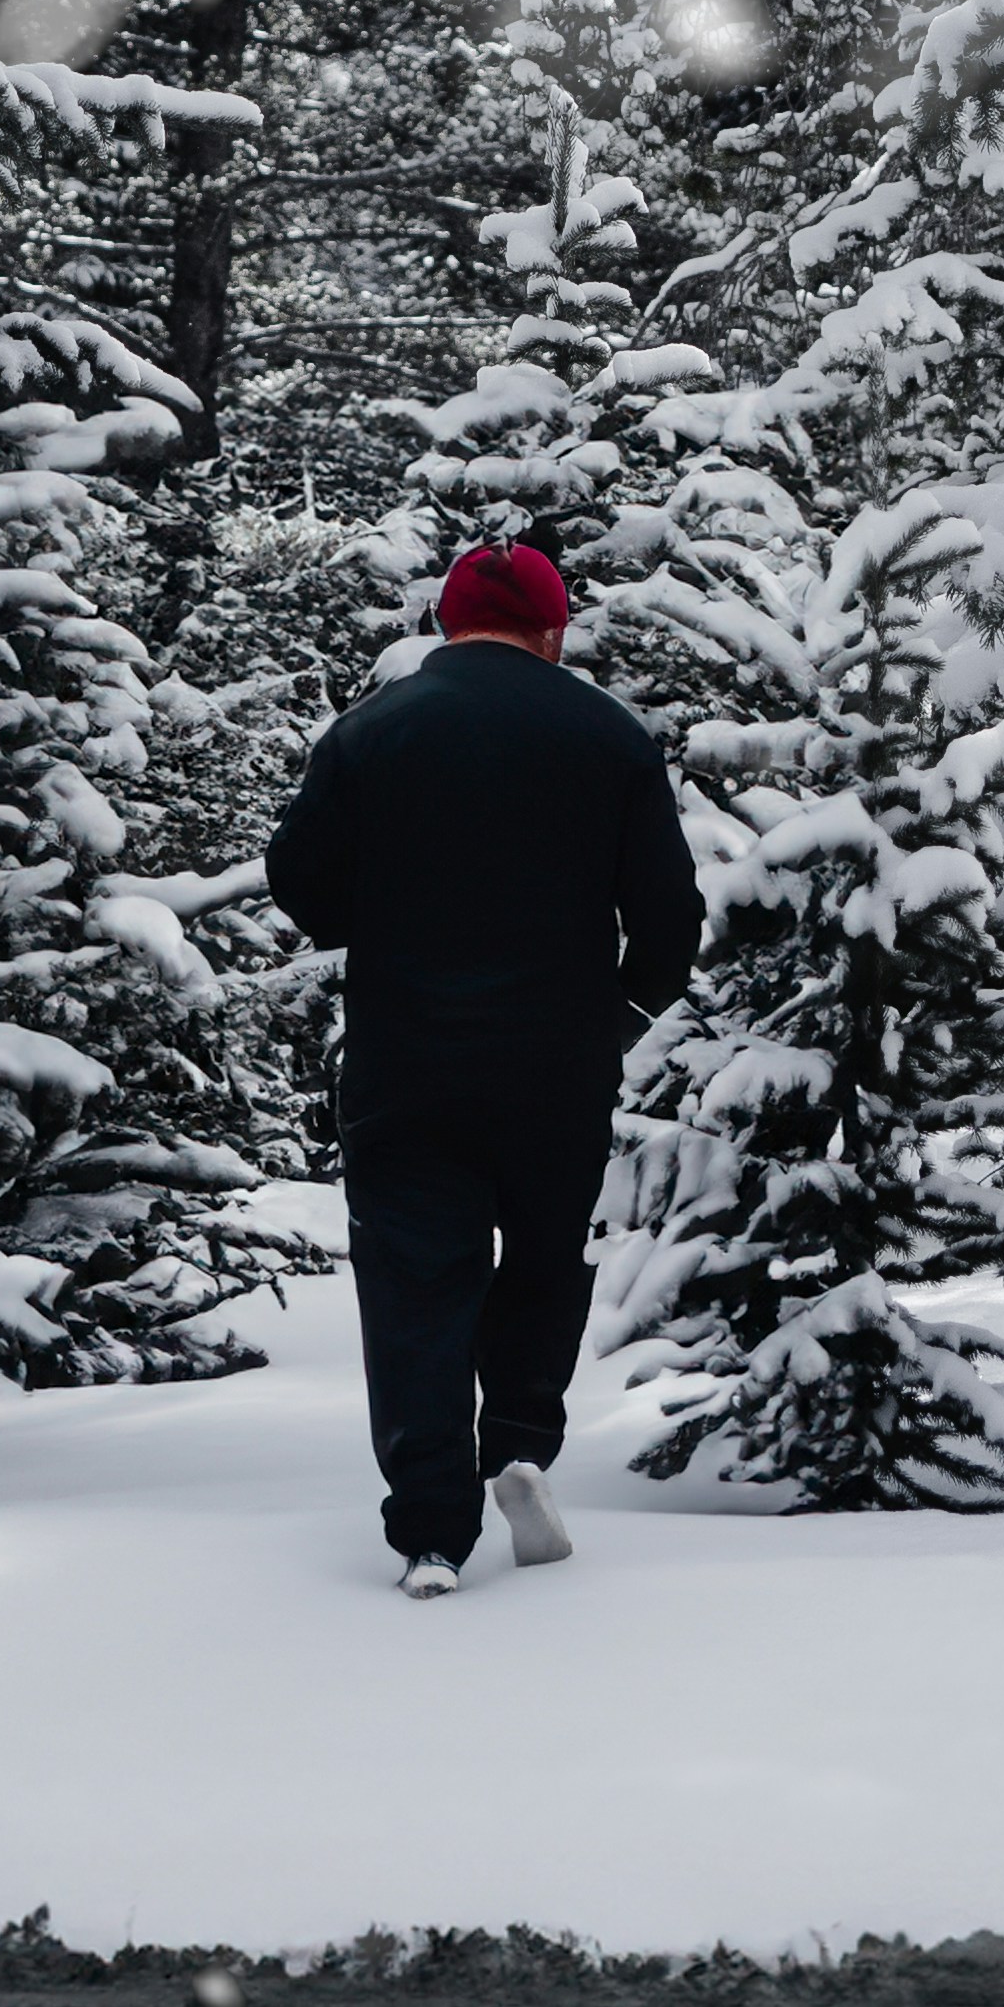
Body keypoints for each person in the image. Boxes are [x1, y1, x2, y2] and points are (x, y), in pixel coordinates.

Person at [262, 538, 704, 1595]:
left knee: (416, 1283)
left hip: (405, 1060)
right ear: (554, 631)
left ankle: (429, 1532)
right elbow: (670, 914)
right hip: (556, 1063)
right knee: (544, 1262)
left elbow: (300, 882)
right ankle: (515, 1446)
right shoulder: (608, 736)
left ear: (446, 624)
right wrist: (623, 1012)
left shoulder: (370, 731)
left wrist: (376, 919)